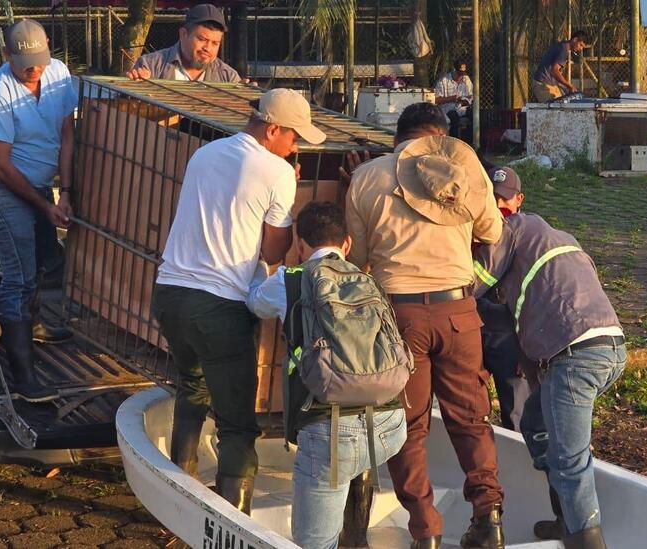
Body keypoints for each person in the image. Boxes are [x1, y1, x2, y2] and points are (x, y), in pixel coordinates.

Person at [150, 88, 326, 514]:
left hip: (170, 294)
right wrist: (291, 187)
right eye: (294, 136)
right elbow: (271, 252)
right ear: (272, 130)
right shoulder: (278, 172)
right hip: (219, 307)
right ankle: (235, 523)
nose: (296, 145)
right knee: (237, 425)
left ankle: (179, 495)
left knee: (192, 387)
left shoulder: (204, 154)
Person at [345, 102, 506, 549]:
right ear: (441, 137)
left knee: (408, 426)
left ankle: (425, 529)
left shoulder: (368, 177)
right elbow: (492, 232)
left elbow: (356, 260)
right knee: (471, 420)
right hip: (459, 313)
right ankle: (488, 517)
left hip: (400, 317)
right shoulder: (464, 171)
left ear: (397, 138)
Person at [247, 201, 407, 549]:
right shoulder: (367, 279)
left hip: (331, 432)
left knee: (314, 542)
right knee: (354, 465)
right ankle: (357, 537)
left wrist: (262, 265)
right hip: (391, 425)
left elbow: (255, 303)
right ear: (347, 244)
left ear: (299, 245)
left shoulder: (289, 281)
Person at [473, 212, 626, 549]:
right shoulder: (560, 242)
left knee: (569, 461)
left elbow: (471, 283)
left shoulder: (510, 230)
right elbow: (525, 326)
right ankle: (565, 518)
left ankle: (584, 540)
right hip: (611, 346)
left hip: (574, 356)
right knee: (535, 421)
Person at [0, 19, 78, 403]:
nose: (35, 68)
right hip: (6, 187)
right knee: (17, 276)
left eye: (40, 58)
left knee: (42, 263)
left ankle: (30, 326)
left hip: (43, 184)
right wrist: (44, 205)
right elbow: (0, 163)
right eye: (25, 62)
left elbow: (67, 134)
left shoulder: (58, 73)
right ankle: (23, 375)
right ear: (7, 56)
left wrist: (63, 192)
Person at [478, 167, 530, 431]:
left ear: (519, 199)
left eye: (505, 198)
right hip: (475, 328)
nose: (498, 204)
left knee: (517, 418)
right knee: (470, 413)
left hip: (512, 334)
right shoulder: (473, 231)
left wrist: (528, 349)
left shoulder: (531, 237)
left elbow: (537, 300)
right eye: (493, 197)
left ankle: (520, 470)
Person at [126, 4, 244, 83]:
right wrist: (136, 91)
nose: (208, 48)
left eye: (215, 43)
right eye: (202, 39)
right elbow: (129, 112)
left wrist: (249, 101)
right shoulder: (150, 66)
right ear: (183, 34)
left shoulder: (228, 77)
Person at [532, 30, 589, 102]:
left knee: (563, 104)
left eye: (582, 47)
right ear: (575, 39)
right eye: (580, 45)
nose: (580, 49)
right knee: (555, 108)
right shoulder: (564, 49)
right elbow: (554, 70)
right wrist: (569, 85)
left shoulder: (563, 46)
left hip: (551, 84)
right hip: (542, 84)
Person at [434, 60, 474, 142]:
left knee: (474, 115)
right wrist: (452, 98)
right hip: (447, 110)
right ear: (454, 70)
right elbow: (436, 100)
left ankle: (470, 145)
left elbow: (470, 96)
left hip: (462, 108)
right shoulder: (443, 81)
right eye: (459, 73)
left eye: (463, 73)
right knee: (453, 117)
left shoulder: (466, 79)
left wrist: (465, 100)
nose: (461, 76)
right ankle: (454, 144)